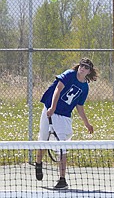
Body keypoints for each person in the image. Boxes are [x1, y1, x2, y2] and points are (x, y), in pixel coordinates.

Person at [35, 57, 98, 189]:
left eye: (86, 67)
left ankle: (62, 180)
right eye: (82, 65)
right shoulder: (69, 74)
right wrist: (52, 107)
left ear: (89, 71)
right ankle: (39, 163)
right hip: (49, 110)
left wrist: (87, 123)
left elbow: (79, 106)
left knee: (63, 147)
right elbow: (58, 89)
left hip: (64, 117)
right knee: (43, 141)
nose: (83, 68)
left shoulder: (85, 88)